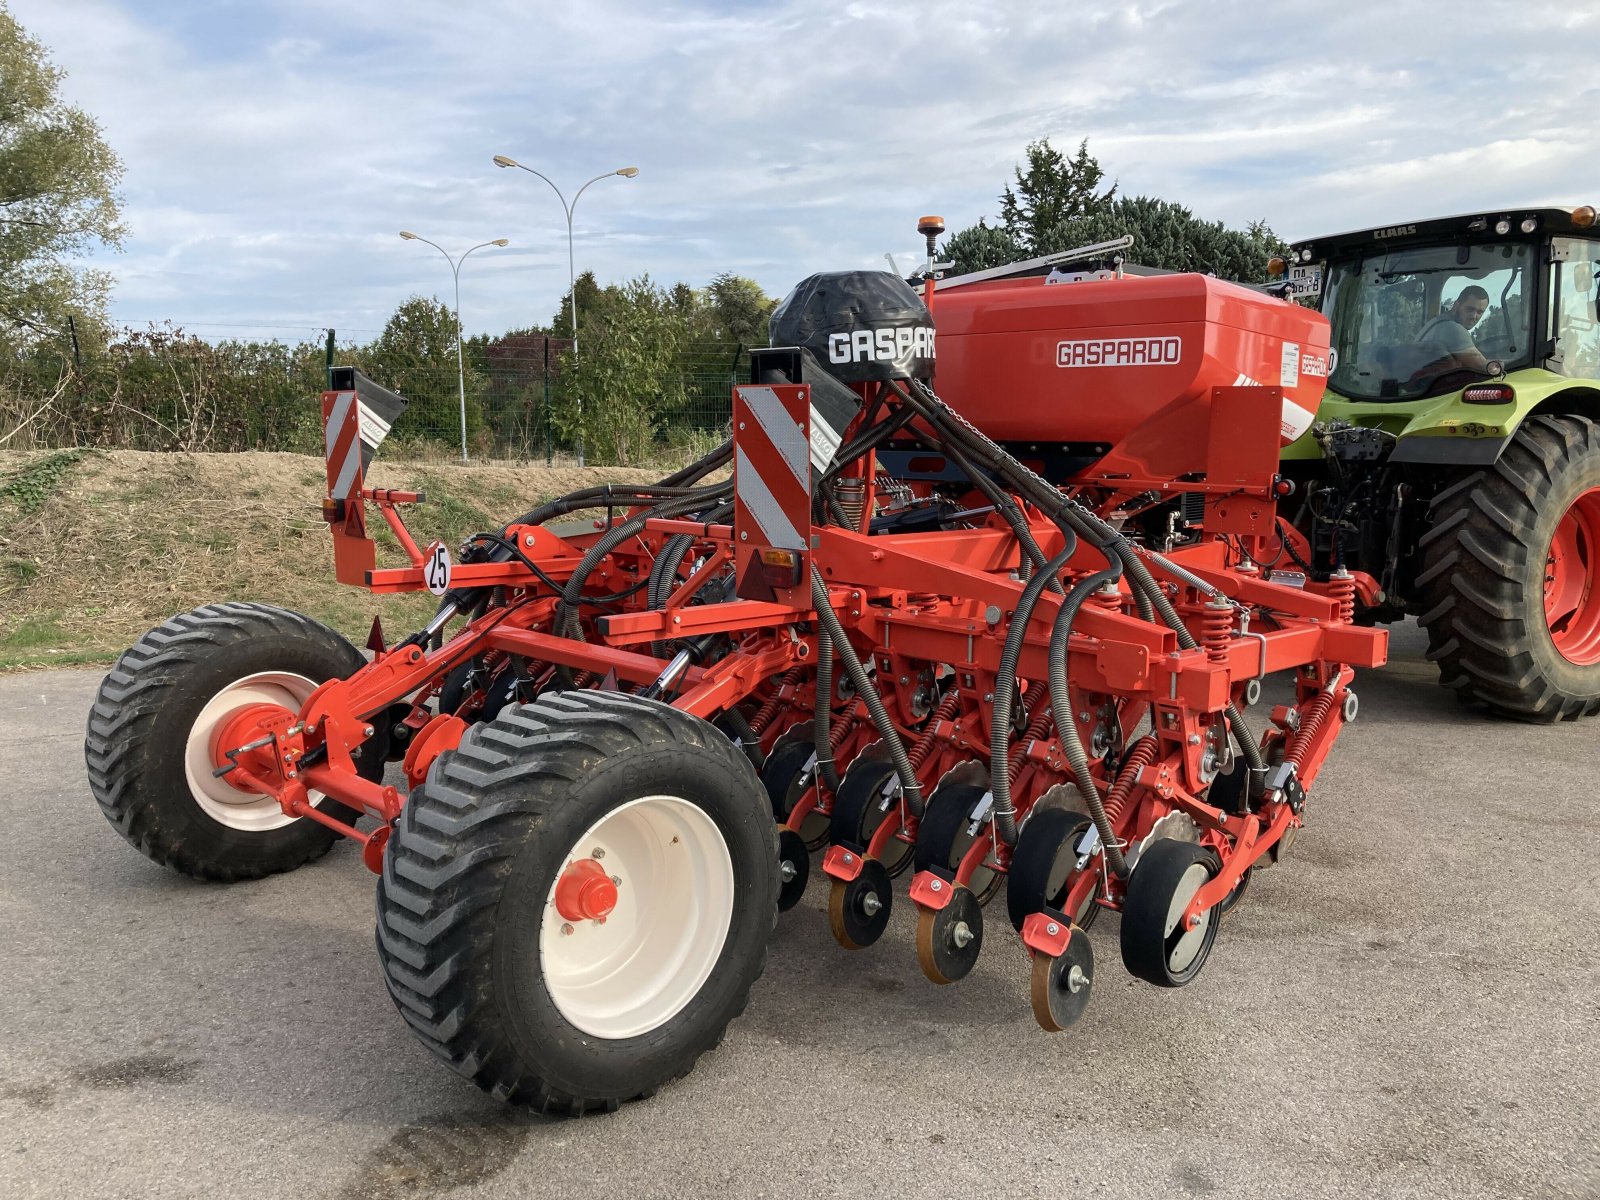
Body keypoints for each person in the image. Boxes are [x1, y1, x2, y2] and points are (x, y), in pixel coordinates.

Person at [1416, 285, 1490, 371]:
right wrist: (1508, 365)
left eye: (1480, 312)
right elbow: (1484, 367)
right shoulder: (1452, 329)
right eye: (1470, 309)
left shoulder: (1437, 323)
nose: (1474, 316)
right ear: (1456, 305)